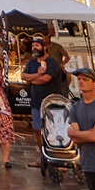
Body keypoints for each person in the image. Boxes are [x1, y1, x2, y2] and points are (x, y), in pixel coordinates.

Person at [25, 38, 67, 168]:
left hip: (52, 103)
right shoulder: (32, 63)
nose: (34, 48)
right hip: (36, 102)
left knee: (54, 130)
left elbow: (46, 79)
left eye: (37, 45)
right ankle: (42, 156)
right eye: (32, 46)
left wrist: (32, 79)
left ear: (44, 48)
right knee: (38, 130)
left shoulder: (53, 62)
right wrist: (36, 75)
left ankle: (58, 156)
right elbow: (23, 76)